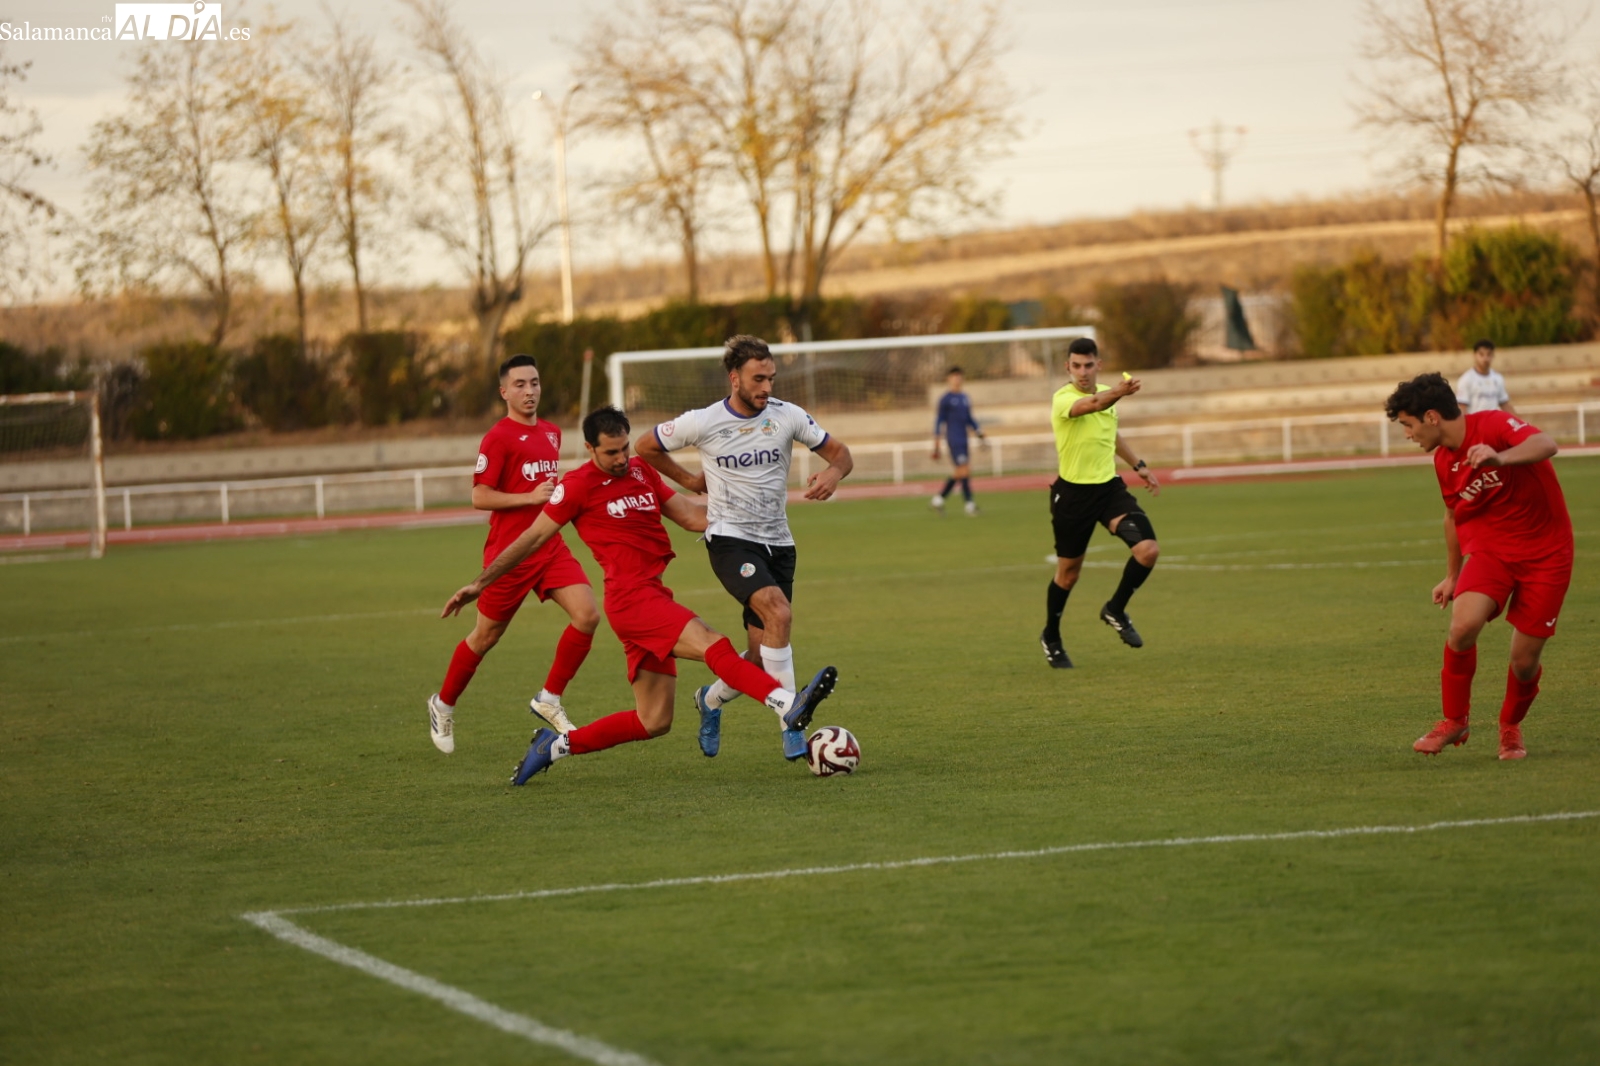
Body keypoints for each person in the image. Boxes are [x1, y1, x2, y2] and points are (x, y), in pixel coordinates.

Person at [442, 406, 839, 784]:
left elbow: (688, 516)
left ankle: (554, 747)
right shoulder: (576, 486)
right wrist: (481, 582)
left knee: (654, 721)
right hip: (631, 601)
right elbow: (531, 538)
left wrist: (745, 520)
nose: (621, 458)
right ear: (590, 449)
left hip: (651, 595)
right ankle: (787, 705)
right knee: (713, 643)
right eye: (611, 452)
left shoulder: (641, 471)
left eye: (625, 448)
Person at [636, 334, 855, 761]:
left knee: (758, 657)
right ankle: (791, 722)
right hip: (730, 538)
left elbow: (841, 453)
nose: (767, 388)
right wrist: (688, 480)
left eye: (771, 378)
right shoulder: (703, 421)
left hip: (779, 543)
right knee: (779, 611)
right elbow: (644, 447)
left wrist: (833, 473)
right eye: (758, 379)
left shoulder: (787, 416)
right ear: (734, 378)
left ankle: (710, 701)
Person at [1385, 372, 1572, 760]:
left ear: (1432, 417)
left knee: (1523, 663)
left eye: (1408, 424)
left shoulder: (1493, 424)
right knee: (1462, 625)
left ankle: (1510, 728)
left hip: (1547, 552)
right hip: (1493, 551)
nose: (1407, 434)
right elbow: (1452, 515)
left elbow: (1546, 443)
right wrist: (1453, 574)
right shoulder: (1442, 461)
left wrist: (1499, 456)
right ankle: (1455, 720)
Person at [427, 355, 600, 754]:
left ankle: (549, 698)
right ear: (504, 391)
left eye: (535, 383)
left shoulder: (553, 433)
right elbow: (478, 496)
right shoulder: (498, 438)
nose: (529, 391)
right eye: (520, 384)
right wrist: (528, 497)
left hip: (549, 546)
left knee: (588, 615)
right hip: (509, 554)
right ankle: (443, 704)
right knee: (485, 637)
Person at [1041, 337, 1161, 668]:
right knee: (1068, 575)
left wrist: (1138, 465)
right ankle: (1051, 635)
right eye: (1076, 366)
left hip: (1109, 490)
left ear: (1099, 365)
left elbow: (1111, 432)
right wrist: (1117, 393)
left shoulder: (1109, 396)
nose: (1082, 371)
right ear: (1068, 367)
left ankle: (1115, 609)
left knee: (1148, 550)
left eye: (1088, 365)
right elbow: (1091, 406)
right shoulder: (1062, 399)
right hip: (1072, 496)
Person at [931, 366, 986, 516]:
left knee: (962, 471)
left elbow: (969, 418)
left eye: (959, 376)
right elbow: (939, 420)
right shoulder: (946, 399)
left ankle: (939, 500)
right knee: (964, 469)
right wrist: (936, 441)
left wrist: (978, 431)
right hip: (953, 438)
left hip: (964, 438)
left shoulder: (964, 398)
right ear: (949, 379)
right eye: (954, 376)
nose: (957, 379)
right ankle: (968, 504)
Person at [1455, 339, 1516, 415]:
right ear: (1475, 355)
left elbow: (1504, 404)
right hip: (1476, 424)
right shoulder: (1466, 379)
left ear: (1493, 356)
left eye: (1489, 354)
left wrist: (1521, 423)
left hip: (1493, 424)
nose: (1485, 359)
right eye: (1481, 354)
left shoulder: (1498, 378)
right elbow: (1462, 408)